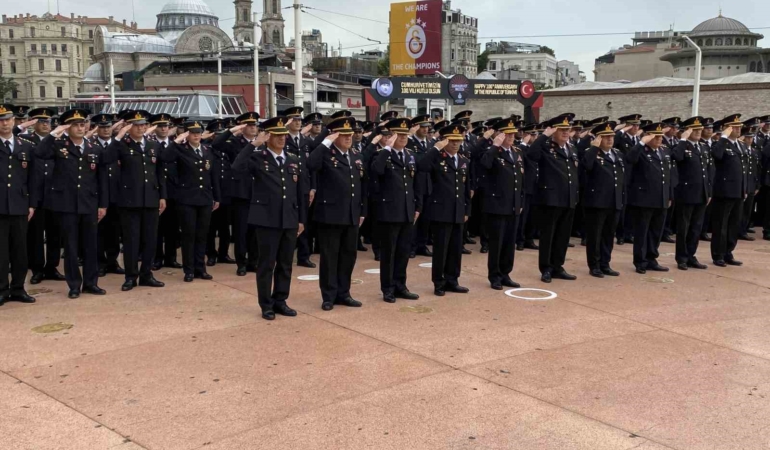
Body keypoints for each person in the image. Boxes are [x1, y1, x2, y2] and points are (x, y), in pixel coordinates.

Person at [34, 109, 108, 299]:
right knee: (71, 247)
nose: (80, 128)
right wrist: (54, 133)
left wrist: (103, 204)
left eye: (82, 124)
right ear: (67, 127)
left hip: (89, 203)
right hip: (66, 204)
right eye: (75, 125)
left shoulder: (94, 148)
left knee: (91, 245)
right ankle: (74, 285)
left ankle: (91, 283)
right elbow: (39, 153)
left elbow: (101, 179)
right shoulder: (59, 146)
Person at [308, 117, 367, 311]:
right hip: (330, 214)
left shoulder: (356, 155)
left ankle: (344, 293)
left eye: (350, 134)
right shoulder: (325, 153)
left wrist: (363, 210)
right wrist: (326, 141)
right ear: (334, 136)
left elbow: (362, 185)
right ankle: (329, 295)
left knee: (348, 256)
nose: (349, 137)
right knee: (329, 257)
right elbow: (311, 164)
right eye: (343, 134)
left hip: (351, 213)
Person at [106, 110, 167, 291]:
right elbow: (106, 158)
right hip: (129, 200)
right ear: (129, 127)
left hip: (151, 198)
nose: (140, 128)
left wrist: (163, 196)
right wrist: (118, 137)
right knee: (131, 241)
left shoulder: (153, 145)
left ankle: (146, 274)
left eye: (143, 125)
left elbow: (160, 172)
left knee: (150, 239)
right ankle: (131, 276)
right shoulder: (122, 145)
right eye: (136, 125)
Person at [370, 119, 422, 303]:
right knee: (389, 253)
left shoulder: (410, 155)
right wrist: (387, 148)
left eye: (405, 134)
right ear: (391, 136)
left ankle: (401, 286)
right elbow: (376, 170)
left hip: (407, 210)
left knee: (403, 252)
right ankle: (388, 288)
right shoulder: (381, 155)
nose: (403, 138)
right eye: (399, 134)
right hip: (389, 211)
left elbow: (416, 183)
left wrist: (417, 206)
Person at [162, 121, 221, 282]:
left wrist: (217, 197)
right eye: (192, 133)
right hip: (187, 199)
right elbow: (164, 157)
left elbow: (213, 175)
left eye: (198, 132)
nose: (196, 135)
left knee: (202, 235)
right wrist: (176, 141)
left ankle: (200, 268)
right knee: (189, 235)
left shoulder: (207, 150)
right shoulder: (181, 149)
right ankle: (189, 270)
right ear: (187, 134)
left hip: (205, 198)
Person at [418, 124, 472, 296]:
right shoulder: (437, 158)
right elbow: (421, 166)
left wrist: (467, 210)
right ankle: (439, 282)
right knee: (441, 250)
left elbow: (466, 188)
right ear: (445, 141)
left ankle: (452, 280)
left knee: (456, 249)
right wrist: (436, 148)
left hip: (458, 210)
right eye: (451, 140)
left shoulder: (463, 160)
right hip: (441, 210)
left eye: (458, 141)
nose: (455, 144)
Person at [527, 114, 580, 283]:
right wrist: (544, 135)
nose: (565, 132)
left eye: (567, 129)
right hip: (551, 198)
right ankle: (546, 268)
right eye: (561, 129)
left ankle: (558, 266)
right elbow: (531, 154)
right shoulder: (545, 147)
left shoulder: (571, 148)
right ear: (553, 131)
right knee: (548, 236)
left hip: (568, 198)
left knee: (563, 236)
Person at [20, 107, 65, 284]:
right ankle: (37, 269)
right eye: (41, 121)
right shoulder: (26, 140)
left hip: (54, 194)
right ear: (33, 123)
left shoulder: (59, 141)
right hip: (35, 195)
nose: (46, 124)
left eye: (48, 121)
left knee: (55, 233)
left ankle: (52, 267)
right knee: (36, 235)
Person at [212, 113, 260, 276]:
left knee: (255, 231)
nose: (253, 127)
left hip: (258, 192)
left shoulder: (262, 142)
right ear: (243, 127)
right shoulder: (235, 143)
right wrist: (233, 130)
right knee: (241, 231)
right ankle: (241, 263)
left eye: (254, 124)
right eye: (249, 125)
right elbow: (216, 144)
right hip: (241, 193)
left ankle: (253, 261)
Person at [479, 118, 524, 289]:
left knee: (509, 243)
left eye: (513, 134)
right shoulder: (492, 152)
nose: (511, 136)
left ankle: (505, 273)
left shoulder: (517, 152)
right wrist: (494, 146)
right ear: (499, 135)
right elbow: (484, 164)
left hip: (513, 204)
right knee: (497, 243)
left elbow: (520, 178)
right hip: (497, 204)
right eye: (507, 134)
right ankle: (495, 276)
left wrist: (520, 200)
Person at [625, 122, 674, 274]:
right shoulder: (641, 151)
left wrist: (669, 195)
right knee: (642, 231)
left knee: (656, 231)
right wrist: (641, 142)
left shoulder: (664, 151)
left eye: (660, 136)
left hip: (661, 197)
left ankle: (652, 259)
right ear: (648, 137)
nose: (659, 139)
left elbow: (668, 175)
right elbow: (630, 159)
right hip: (644, 198)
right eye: (655, 136)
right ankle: (640, 261)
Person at [0, 104, 36, 305]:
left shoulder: (26, 146)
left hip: (20, 204)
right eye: (1, 120)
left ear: (13, 121)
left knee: (20, 250)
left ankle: (18, 288)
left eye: (7, 119)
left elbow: (33, 178)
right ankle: (2, 289)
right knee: (1, 252)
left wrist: (32, 204)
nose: (4, 123)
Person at [581, 122, 625, 278]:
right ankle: (594, 265)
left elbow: (621, 178)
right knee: (595, 235)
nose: (610, 139)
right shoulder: (591, 153)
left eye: (611, 136)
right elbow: (586, 166)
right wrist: (594, 147)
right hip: (597, 202)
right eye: (605, 136)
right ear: (598, 138)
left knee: (608, 235)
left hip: (614, 201)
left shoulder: (617, 154)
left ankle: (605, 263)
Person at [671, 117, 713, 270]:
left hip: (701, 193)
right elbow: (676, 157)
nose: (698, 132)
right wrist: (683, 139)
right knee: (684, 227)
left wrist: (709, 192)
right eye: (694, 129)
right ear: (687, 131)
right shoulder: (682, 146)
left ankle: (691, 255)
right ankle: (681, 258)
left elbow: (709, 171)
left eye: (699, 129)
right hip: (686, 193)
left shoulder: (703, 147)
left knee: (696, 227)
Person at [89, 113, 125, 277]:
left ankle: (112, 261)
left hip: (117, 194)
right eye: (102, 127)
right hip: (97, 195)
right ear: (97, 129)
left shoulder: (120, 145)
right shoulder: (91, 146)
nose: (106, 130)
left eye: (108, 126)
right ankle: (100, 262)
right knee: (99, 232)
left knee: (115, 231)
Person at [710, 115, 748, 267]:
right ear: (727, 128)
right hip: (724, 191)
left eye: (739, 127)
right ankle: (718, 254)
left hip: (738, 191)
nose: (738, 129)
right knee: (721, 224)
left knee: (734, 224)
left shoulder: (741, 145)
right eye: (734, 127)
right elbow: (716, 155)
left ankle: (728, 252)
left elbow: (744, 170)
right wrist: (723, 137)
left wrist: (745, 188)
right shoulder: (720, 144)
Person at [284, 107, 317, 268]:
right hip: (288, 186)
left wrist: (313, 187)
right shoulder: (282, 139)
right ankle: (285, 255)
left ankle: (304, 256)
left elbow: (312, 166)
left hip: (304, 186)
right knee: (288, 221)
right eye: (294, 120)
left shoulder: (306, 141)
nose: (297, 122)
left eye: (299, 120)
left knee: (304, 221)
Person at [153, 115, 183, 271]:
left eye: (166, 126)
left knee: (172, 228)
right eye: (160, 126)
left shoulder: (176, 144)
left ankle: (171, 258)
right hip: (156, 191)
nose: (164, 128)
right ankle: (157, 258)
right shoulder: (151, 145)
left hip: (173, 191)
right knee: (157, 228)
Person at [204, 119, 235, 266]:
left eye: (221, 133)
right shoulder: (207, 149)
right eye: (216, 134)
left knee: (225, 227)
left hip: (226, 192)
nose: (219, 136)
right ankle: (211, 254)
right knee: (211, 227)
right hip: (211, 192)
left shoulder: (227, 149)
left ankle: (223, 253)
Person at [406, 115, 434, 258]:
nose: (425, 129)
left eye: (427, 127)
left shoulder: (430, 143)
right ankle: (411, 246)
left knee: (426, 218)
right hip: (415, 183)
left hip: (428, 184)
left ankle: (422, 245)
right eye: (422, 126)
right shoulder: (410, 143)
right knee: (415, 216)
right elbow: (417, 162)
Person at [615, 114, 643, 245]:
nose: (636, 127)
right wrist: (622, 130)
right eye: (633, 125)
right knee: (623, 208)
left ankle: (629, 233)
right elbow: (614, 141)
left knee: (633, 207)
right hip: (625, 176)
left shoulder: (639, 139)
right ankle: (620, 235)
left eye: (637, 125)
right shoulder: (621, 137)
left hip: (637, 178)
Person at [738, 118, 761, 242]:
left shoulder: (754, 151)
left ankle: (743, 230)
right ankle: (737, 230)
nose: (750, 140)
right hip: (742, 184)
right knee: (739, 210)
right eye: (747, 137)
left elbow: (756, 169)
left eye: (751, 137)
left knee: (748, 209)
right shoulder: (740, 150)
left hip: (751, 184)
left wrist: (757, 185)